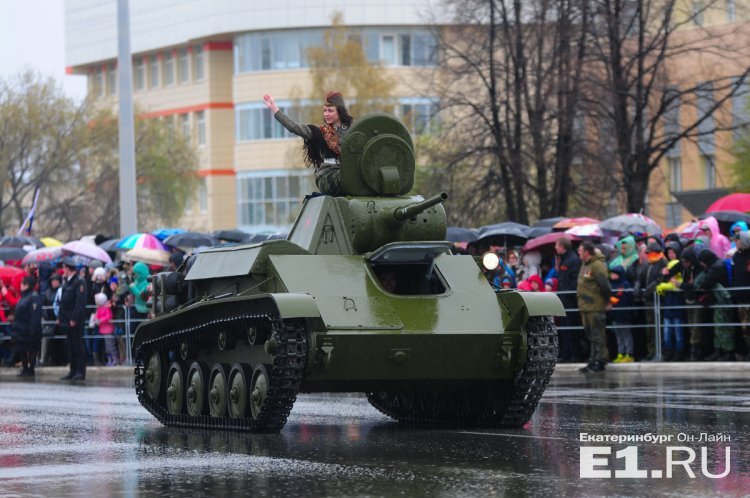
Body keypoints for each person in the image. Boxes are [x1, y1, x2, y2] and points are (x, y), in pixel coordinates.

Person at [263, 91, 353, 196]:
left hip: (346, 173)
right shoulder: (319, 132)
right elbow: (293, 127)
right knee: (351, 179)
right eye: (324, 111)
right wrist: (274, 108)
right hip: (328, 176)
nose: (326, 114)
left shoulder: (353, 132)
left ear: (340, 111)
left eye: (330, 111)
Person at [576, 241, 611, 373]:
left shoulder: (597, 265)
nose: (579, 252)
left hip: (595, 306)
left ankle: (600, 360)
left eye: (580, 250)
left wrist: (607, 301)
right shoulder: (585, 265)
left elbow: (605, 285)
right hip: (586, 307)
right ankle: (592, 360)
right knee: (590, 335)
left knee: (598, 335)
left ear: (587, 252)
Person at [58, 258, 88, 381]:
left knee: (77, 346)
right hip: (66, 319)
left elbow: (79, 302)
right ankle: (73, 370)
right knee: (70, 345)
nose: (62, 270)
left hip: (75, 320)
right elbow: (63, 302)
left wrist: (74, 318)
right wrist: (60, 317)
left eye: (64, 268)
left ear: (68, 268)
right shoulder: (68, 282)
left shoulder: (79, 282)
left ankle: (81, 371)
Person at [554, 237, 581, 362]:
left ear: (562, 246)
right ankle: (566, 354)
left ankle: (575, 354)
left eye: (557, 245)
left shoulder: (572, 259)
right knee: (565, 328)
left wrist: (566, 295)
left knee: (571, 328)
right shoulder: (565, 259)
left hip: (569, 300)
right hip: (563, 300)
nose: (555, 248)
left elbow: (574, 280)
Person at [656, 259, 687, 361]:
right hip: (668, 311)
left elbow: (676, 287)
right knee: (667, 333)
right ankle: (668, 352)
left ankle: (679, 353)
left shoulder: (681, 280)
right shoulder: (667, 280)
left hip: (677, 311)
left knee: (678, 334)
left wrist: (663, 286)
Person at [12, 276, 43, 377]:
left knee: (32, 349)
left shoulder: (34, 297)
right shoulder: (24, 296)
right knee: (22, 349)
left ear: (27, 285)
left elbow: (35, 314)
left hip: (29, 328)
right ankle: (25, 368)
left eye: (22, 284)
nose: (20, 285)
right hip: (21, 328)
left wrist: (32, 329)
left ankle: (30, 369)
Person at [608, 265, 634, 363]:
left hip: (624, 313)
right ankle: (620, 353)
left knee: (626, 334)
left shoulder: (625, 284)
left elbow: (629, 299)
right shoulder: (611, 285)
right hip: (614, 314)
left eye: (614, 273)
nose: (612, 275)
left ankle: (629, 354)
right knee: (618, 335)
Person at [93, 292, 117, 366]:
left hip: (108, 330)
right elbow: (96, 316)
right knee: (107, 347)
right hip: (103, 330)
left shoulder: (107, 307)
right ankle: (110, 360)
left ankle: (115, 359)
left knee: (110, 345)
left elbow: (109, 316)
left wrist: (100, 320)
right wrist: (96, 320)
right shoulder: (99, 308)